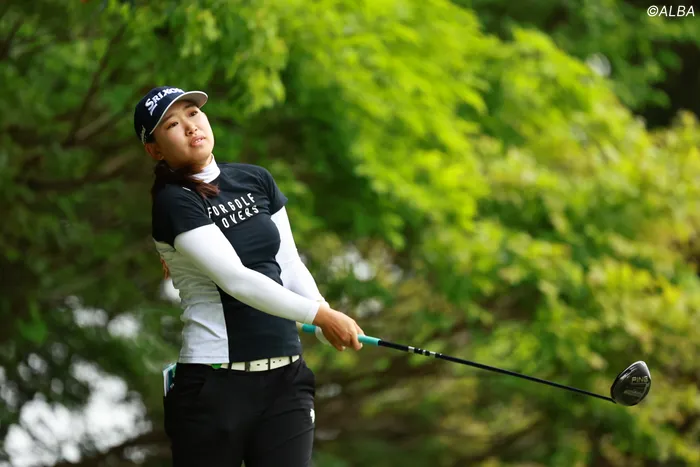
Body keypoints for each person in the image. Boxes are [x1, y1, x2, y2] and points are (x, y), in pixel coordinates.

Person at [133, 86, 365, 467]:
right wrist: (320, 316)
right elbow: (236, 280)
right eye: (172, 124)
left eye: (193, 113)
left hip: (286, 381)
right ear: (154, 150)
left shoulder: (256, 179)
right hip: (214, 387)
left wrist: (321, 310)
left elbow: (289, 264)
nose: (190, 126)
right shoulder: (173, 202)